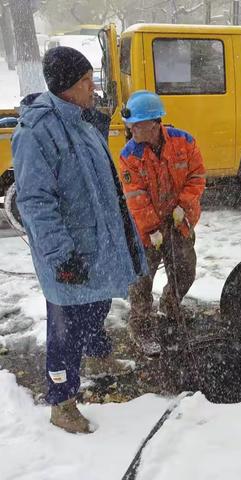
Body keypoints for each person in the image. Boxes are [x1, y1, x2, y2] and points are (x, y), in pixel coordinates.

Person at [12, 47, 147, 434]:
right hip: (68, 253)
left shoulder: (81, 121)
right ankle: (62, 401)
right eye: (86, 81)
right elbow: (36, 202)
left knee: (97, 306)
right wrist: (61, 256)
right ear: (67, 87)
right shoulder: (37, 131)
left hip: (96, 245)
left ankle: (97, 353)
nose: (93, 87)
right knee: (65, 328)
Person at [119, 90, 206, 356]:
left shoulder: (184, 142)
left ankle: (170, 306)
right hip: (146, 230)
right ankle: (142, 327)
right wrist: (152, 230)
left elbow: (197, 175)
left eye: (138, 124)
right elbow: (136, 197)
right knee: (141, 282)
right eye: (131, 125)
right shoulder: (129, 155)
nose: (132, 129)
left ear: (155, 123)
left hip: (180, 222)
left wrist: (183, 206)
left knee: (184, 270)